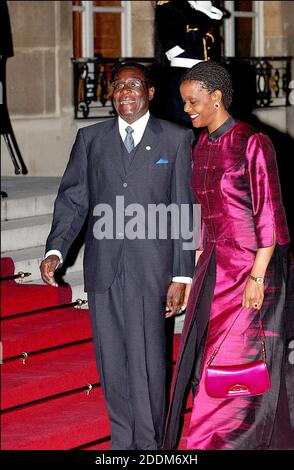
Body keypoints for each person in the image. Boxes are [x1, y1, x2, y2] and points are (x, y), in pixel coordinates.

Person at [40, 63, 195, 450]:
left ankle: (153, 447)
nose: (125, 92)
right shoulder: (91, 139)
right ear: (111, 94)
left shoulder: (175, 139)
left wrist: (182, 275)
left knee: (147, 367)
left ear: (151, 92)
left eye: (134, 84)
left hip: (152, 271)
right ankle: (122, 445)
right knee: (112, 365)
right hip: (105, 270)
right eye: (118, 86)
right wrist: (56, 248)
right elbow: (74, 198)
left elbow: (184, 209)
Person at [163, 61, 294, 450]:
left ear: (216, 97)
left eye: (193, 101)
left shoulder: (252, 142)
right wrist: (194, 272)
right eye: (184, 102)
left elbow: (268, 214)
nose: (187, 109)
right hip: (213, 268)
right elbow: (204, 213)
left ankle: (214, 442)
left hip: (252, 268)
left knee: (232, 363)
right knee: (208, 360)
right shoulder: (201, 144)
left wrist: (257, 277)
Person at [152, 0, 223, 126]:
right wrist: (200, 21)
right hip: (183, 75)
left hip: (206, 75)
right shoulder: (170, 7)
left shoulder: (199, 6)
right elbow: (172, 48)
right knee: (184, 124)